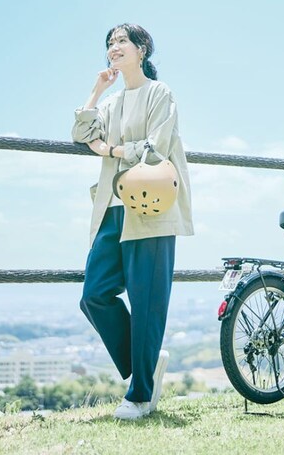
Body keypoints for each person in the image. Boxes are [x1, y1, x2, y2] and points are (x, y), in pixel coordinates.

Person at [72, 23, 193, 420]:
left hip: (152, 208)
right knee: (94, 294)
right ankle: (144, 365)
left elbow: (153, 148)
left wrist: (109, 148)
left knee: (147, 303)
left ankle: (140, 395)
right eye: (109, 43)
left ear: (142, 49)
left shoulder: (161, 93)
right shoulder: (109, 104)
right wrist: (96, 90)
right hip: (113, 208)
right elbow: (80, 132)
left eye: (122, 41)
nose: (114, 48)